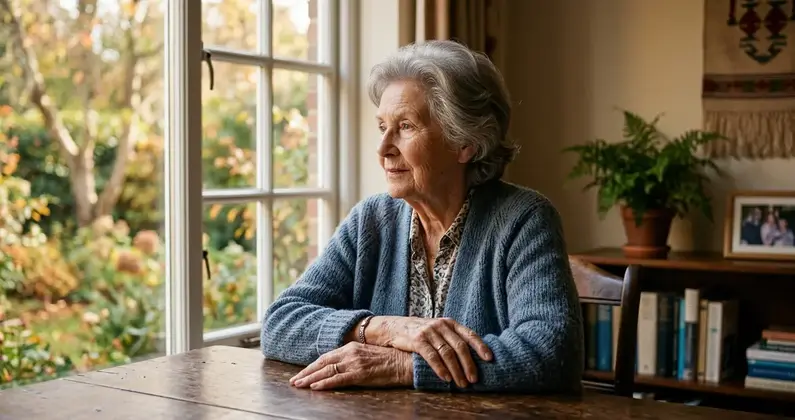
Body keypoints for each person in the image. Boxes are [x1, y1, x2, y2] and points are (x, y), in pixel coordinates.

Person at [260, 40, 584, 394]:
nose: (383, 149)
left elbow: (552, 353)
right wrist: (382, 329)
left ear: (465, 143)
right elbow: (280, 322)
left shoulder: (524, 220)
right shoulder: (370, 220)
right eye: (382, 126)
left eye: (406, 127)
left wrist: (403, 365)